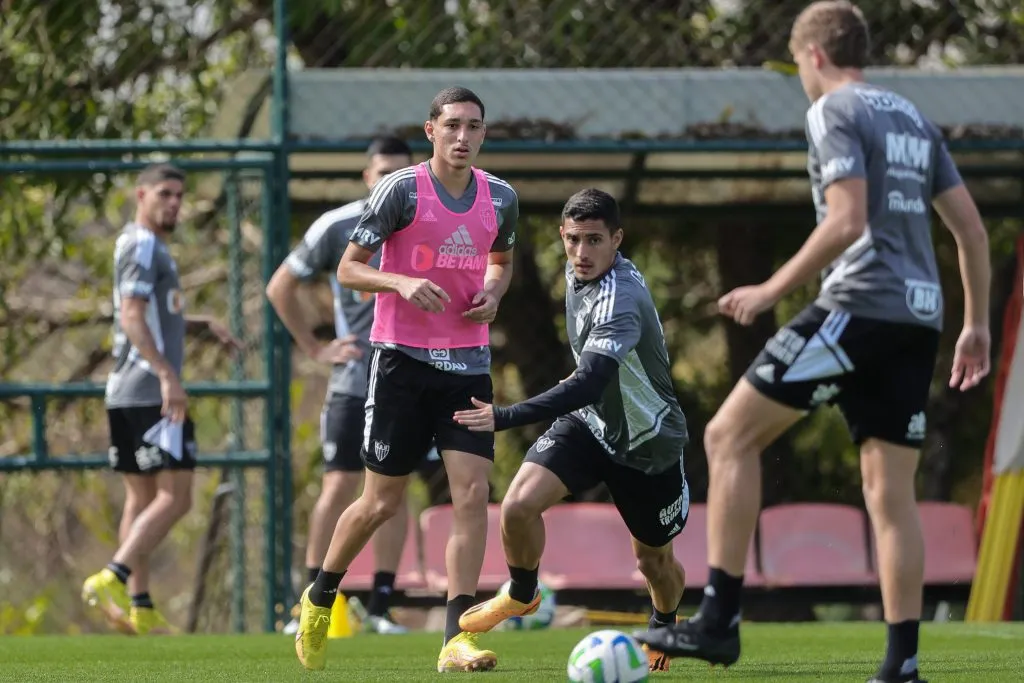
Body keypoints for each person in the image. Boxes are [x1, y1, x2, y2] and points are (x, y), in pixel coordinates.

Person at [633, 3, 991, 682]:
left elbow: (849, 219)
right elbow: (970, 231)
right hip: (921, 320)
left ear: (814, 56)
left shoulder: (832, 110)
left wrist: (771, 289)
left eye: (797, 64)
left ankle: (720, 621)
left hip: (860, 308)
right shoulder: (913, 117)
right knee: (890, 493)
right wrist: (975, 323)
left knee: (728, 435)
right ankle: (902, 662)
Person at [293, 86, 519, 673]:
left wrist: (493, 292)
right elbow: (349, 269)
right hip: (400, 363)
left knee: (471, 495)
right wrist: (400, 283)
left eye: (473, 126)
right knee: (378, 502)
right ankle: (320, 596)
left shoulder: (501, 197)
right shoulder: (400, 190)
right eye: (452, 126)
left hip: (467, 364)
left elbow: (501, 259)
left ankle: (454, 638)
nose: (463, 137)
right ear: (431, 131)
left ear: (483, 133)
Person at [452, 188, 690, 674]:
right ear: (562, 235)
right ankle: (522, 594)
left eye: (595, 241)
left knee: (653, 563)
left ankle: (664, 621)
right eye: (574, 240)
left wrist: (504, 416)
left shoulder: (620, 298)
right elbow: (588, 388)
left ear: (617, 239)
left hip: (647, 442)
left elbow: (589, 383)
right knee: (517, 507)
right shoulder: (577, 266)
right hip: (592, 423)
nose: (582, 253)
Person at [267, 136, 445, 635]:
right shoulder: (338, 226)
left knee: (396, 490)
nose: (389, 179)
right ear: (367, 177)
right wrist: (314, 347)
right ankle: (312, 600)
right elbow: (280, 285)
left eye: (398, 171)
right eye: (380, 171)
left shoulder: (429, 220)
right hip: (354, 380)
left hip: (413, 378)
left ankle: (383, 606)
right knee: (340, 485)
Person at [82, 163, 242, 635]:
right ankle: (112, 576)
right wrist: (168, 374)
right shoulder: (143, 243)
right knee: (177, 498)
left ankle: (141, 606)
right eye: (165, 194)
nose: (174, 203)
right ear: (141, 195)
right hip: (151, 394)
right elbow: (131, 316)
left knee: (143, 496)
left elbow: (146, 313)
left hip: (127, 393)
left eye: (179, 196)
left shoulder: (140, 244)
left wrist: (197, 324)